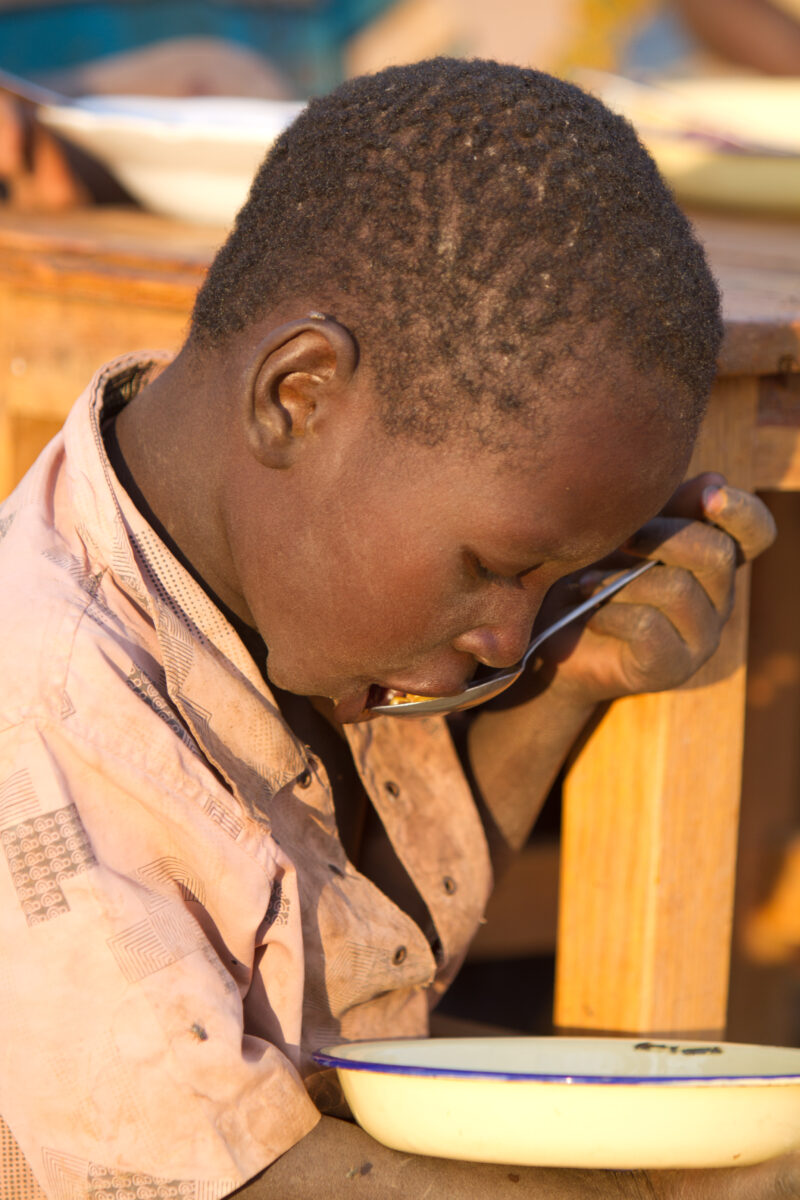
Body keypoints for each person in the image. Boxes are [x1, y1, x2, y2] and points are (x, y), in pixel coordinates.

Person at [0, 57, 791, 1200]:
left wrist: (565, 688)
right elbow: (253, 1177)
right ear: (298, 397)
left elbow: (369, 991)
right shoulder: (40, 707)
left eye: (552, 582)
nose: (512, 635)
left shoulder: (294, 600)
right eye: (499, 566)